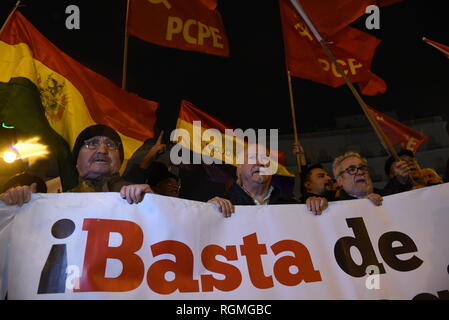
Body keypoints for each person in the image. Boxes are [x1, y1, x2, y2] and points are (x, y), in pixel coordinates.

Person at [0, 124, 152, 206]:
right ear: (77, 163)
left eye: (111, 145)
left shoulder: (138, 199)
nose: (102, 149)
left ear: (119, 161)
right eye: (92, 144)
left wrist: (153, 204)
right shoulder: (53, 205)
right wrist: (16, 206)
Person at [208, 143, 328, 217]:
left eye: (264, 157)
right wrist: (208, 212)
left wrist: (316, 207)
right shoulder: (220, 205)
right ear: (239, 167)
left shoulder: (292, 205)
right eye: (252, 157)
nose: (260, 162)